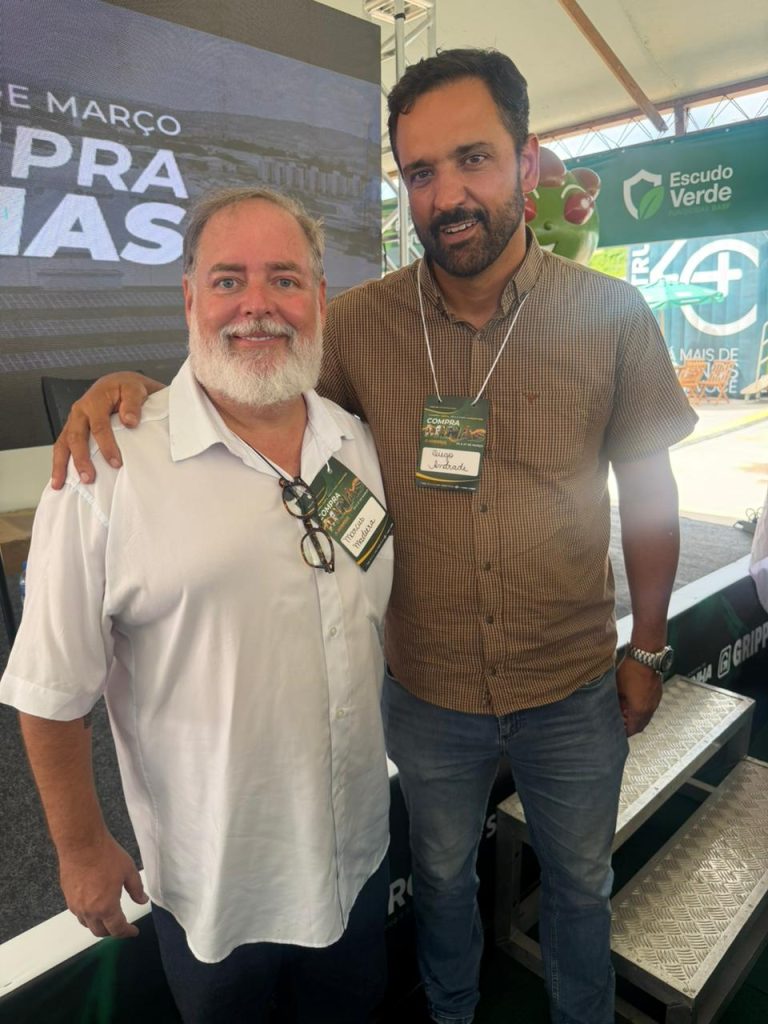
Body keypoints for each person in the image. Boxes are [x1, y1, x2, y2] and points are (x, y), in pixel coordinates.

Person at [50, 50, 697, 1024]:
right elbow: (247, 381)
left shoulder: (610, 312)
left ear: (526, 162)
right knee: (439, 883)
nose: (448, 194)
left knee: (579, 883)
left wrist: (646, 644)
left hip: (571, 683)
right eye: (421, 172)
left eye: (473, 159)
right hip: (427, 693)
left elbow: (649, 489)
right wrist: (136, 392)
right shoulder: (357, 326)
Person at [2, 187, 395, 1024]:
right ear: (189, 299)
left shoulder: (354, 441)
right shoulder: (108, 468)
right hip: (220, 885)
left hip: (356, 852)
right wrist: (79, 848)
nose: (258, 304)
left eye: (284, 279)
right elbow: (48, 687)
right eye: (227, 281)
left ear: (320, 298)